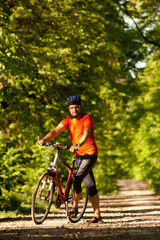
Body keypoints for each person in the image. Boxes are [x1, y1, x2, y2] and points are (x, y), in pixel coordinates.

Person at [38, 95, 102, 223]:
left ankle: (74, 206)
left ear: (80, 107)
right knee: (90, 184)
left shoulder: (86, 118)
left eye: (76, 107)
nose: (74, 110)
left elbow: (86, 134)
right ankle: (97, 215)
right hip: (79, 156)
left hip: (89, 154)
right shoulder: (68, 120)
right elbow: (55, 130)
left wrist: (78, 144)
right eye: (72, 107)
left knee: (76, 179)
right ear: (68, 109)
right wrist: (44, 139)